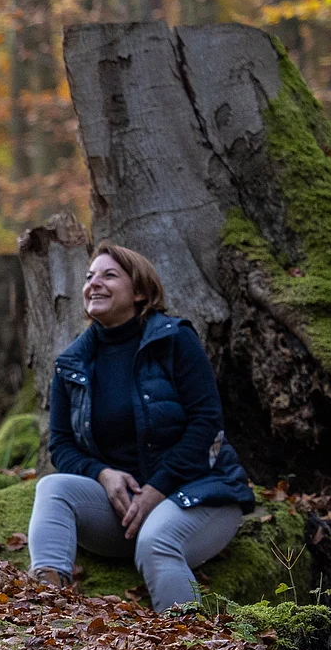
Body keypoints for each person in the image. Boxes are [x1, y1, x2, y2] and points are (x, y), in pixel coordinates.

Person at [28, 242, 254, 610]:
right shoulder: (71, 362)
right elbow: (62, 446)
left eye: (109, 275)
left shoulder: (174, 340)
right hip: (124, 510)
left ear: (140, 292)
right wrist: (102, 474)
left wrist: (157, 489)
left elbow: (207, 424)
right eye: (89, 277)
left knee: (157, 541)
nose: (94, 284)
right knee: (53, 488)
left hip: (199, 493)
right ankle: (47, 611)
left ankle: (189, 649)